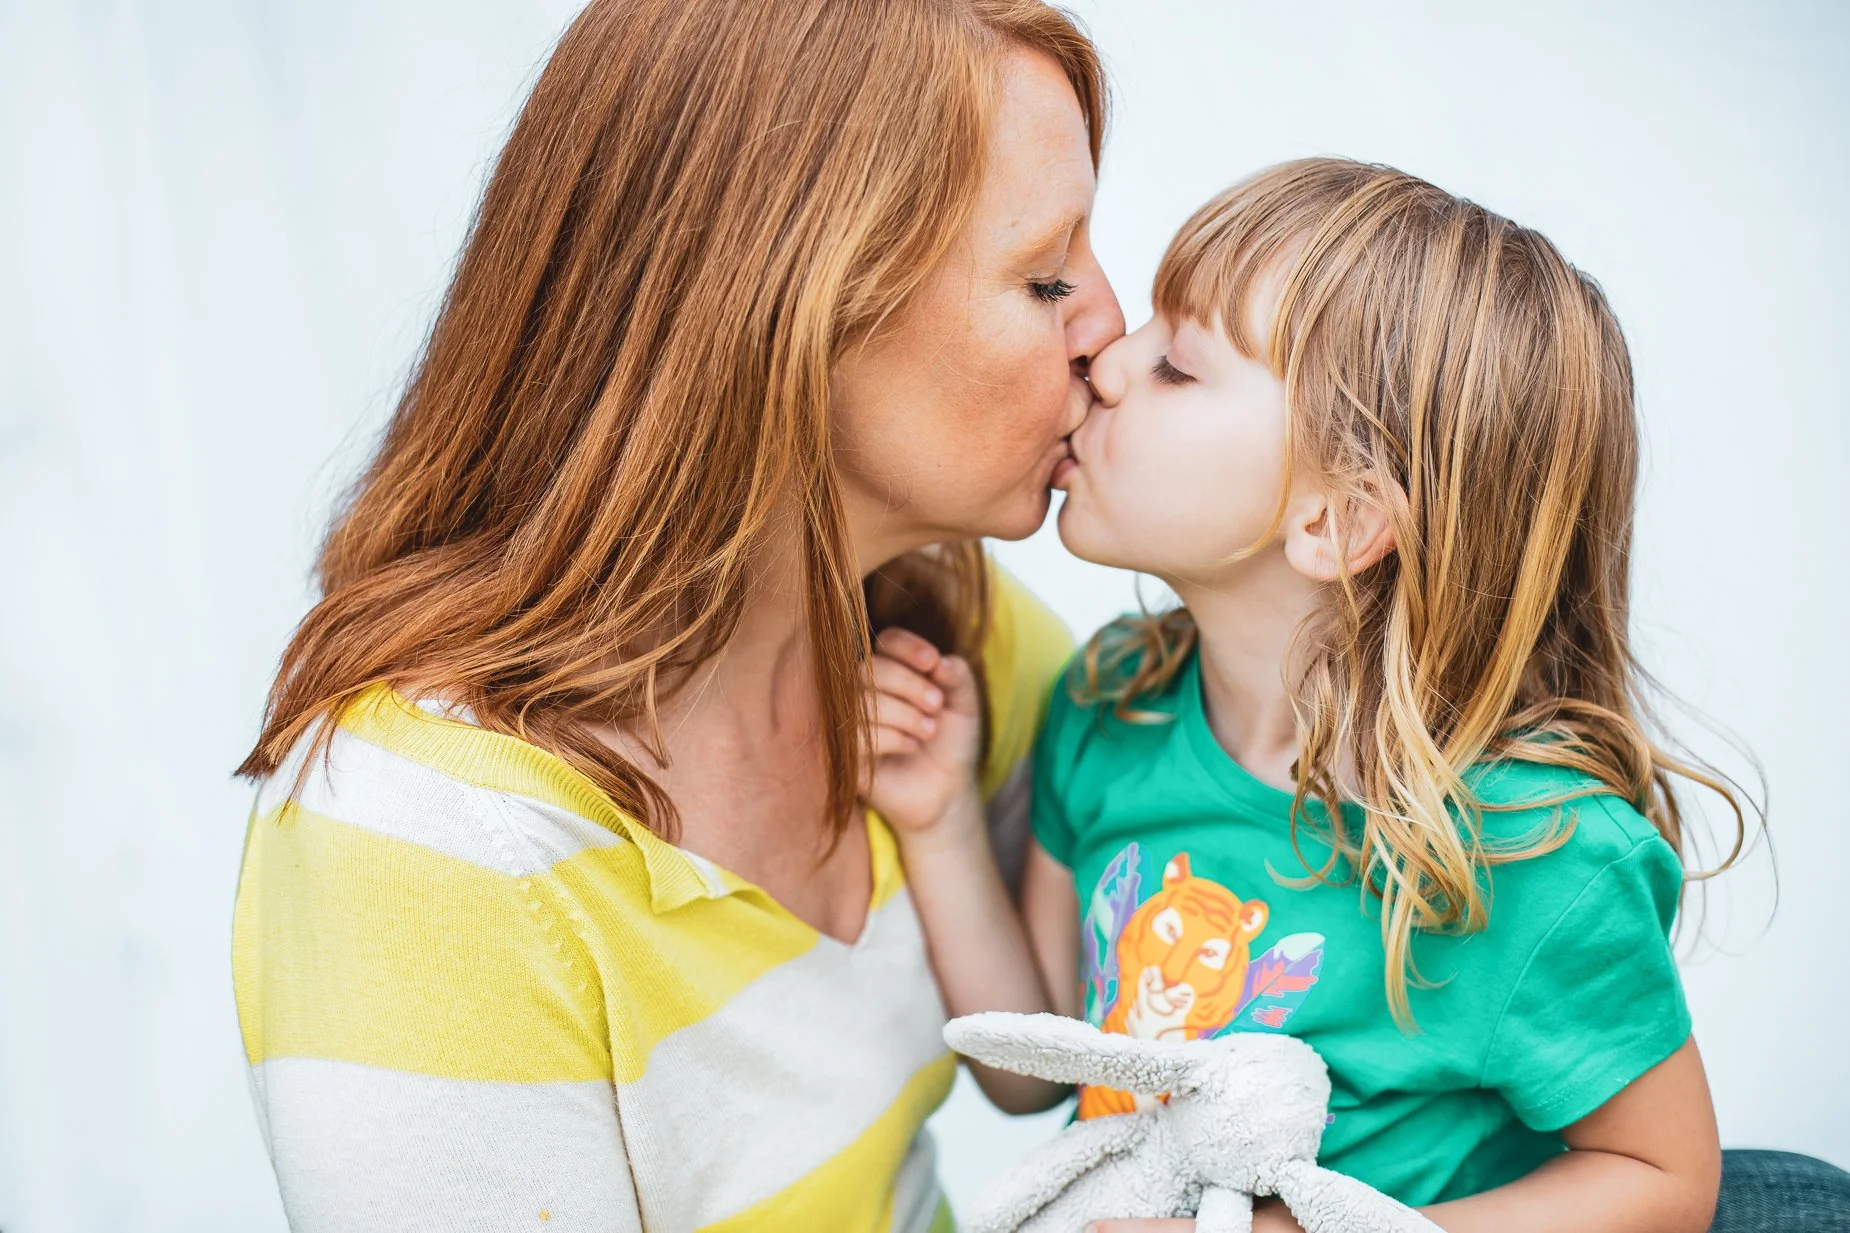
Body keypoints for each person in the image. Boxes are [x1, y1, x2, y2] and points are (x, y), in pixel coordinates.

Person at [229, 1, 1123, 1229]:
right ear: (790, 302)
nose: (1112, 334)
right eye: (1045, 275)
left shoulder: (956, 633)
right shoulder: (429, 842)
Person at [869, 158, 1846, 1231]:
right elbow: (1032, 1071)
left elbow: (1664, 1180)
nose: (1105, 359)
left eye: (1178, 369)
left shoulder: (1534, 851)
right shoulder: (1111, 705)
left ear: (1335, 523)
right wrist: (941, 822)